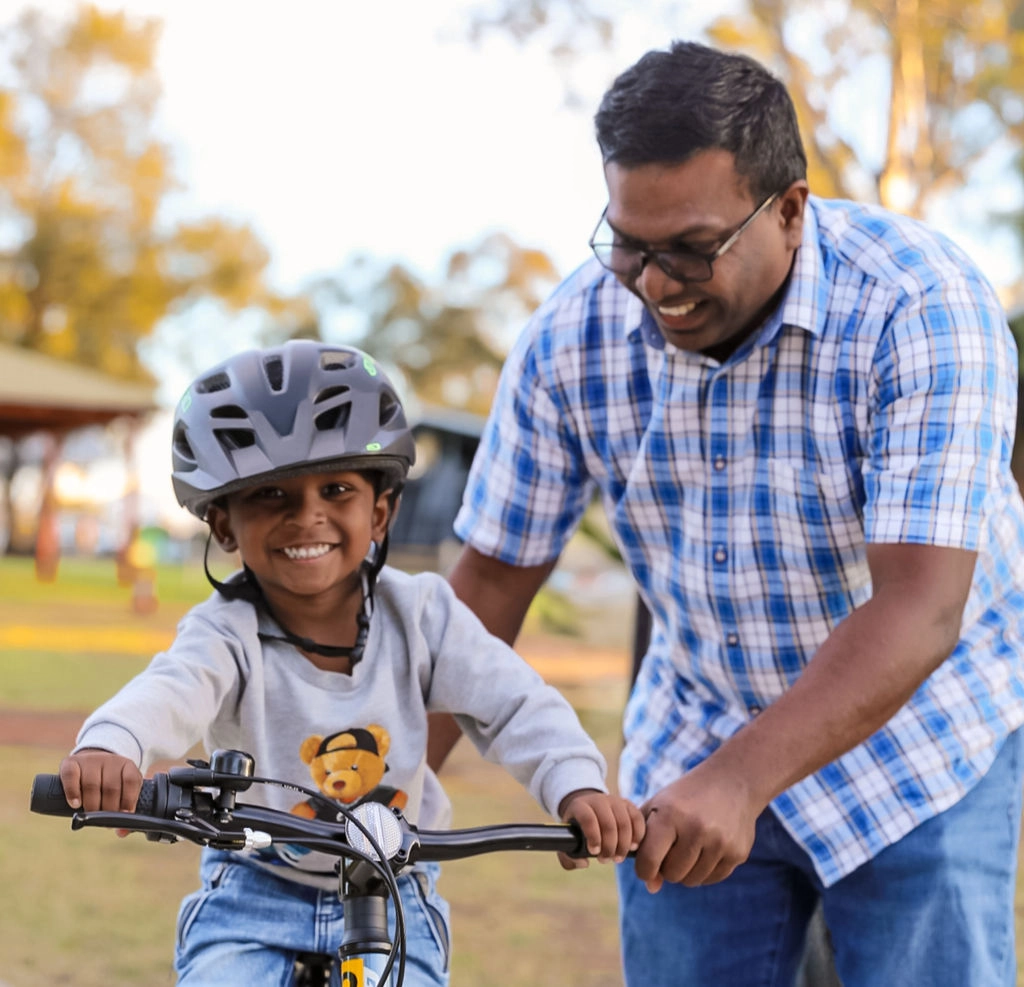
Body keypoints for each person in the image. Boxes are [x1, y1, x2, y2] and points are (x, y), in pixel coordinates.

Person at [437, 39, 1024, 987]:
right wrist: (374, 785)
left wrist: (744, 779)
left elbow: (922, 604)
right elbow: (491, 584)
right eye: (630, 244)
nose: (656, 285)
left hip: (920, 746)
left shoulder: (922, 303)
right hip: (697, 733)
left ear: (790, 208)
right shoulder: (571, 338)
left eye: (692, 249)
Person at [57, 340, 644, 986]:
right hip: (254, 890)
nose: (307, 513)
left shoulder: (423, 615)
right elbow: (170, 689)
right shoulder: (225, 632)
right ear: (224, 526)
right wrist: (113, 745)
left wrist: (577, 785)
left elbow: (515, 703)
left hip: (395, 891)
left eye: (336, 488)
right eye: (271, 494)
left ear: (381, 510)